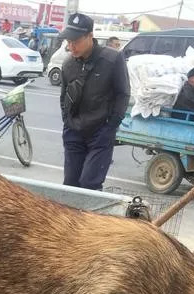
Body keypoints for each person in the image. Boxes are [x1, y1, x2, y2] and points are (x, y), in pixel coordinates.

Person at [59, 12, 130, 192]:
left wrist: (111, 126)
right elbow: (63, 96)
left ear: (90, 36)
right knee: (70, 185)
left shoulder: (112, 59)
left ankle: (89, 220)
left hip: (100, 133)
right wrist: (67, 122)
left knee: (89, 184)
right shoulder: (68, 64)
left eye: (76, 41)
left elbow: (123, 94)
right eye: (69, 41)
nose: (71, 46)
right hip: (74, 132)